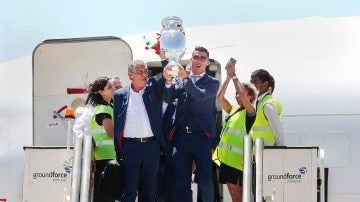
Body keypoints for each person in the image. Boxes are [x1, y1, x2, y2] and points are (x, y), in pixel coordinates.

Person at [163, 46, 220, 202]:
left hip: (202, 138)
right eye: (196, 57)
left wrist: (185, 79)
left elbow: (200, 96)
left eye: (203, 58)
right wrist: (168, 82)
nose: (199, 60)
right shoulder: (180, 80)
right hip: (181, 139)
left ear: (207, 62)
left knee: (205, 181)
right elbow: (168, 98)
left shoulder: (212, 82)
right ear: (191, 60)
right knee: (182, 182)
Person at [113, 60, 165, 202]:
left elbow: (167, 74)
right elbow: (117, 124)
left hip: (152, 146)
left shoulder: (152, 90)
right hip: (130, 148)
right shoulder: (119, 95)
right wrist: (119, 151)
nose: (144, 75)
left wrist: (167, 57)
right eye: (140, 72)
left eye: (145, 71)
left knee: (149, 189)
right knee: (129, 190)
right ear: (130, 75)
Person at [213, 61, 258, 202]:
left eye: (241, 94)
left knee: (239, 198)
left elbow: (242, 95)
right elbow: (219, 98)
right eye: (237, 94)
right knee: (233, 197)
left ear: (250, 96)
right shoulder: (233, 110)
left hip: (239, 164)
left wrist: (234, 76)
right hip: (226, 161)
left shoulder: (250, 112)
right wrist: (227, 78)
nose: (237, 96)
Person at [85, 76, 116, 202]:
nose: (113, 88)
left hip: (106, 159)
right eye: (109, 87)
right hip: (105, 160)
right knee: (106, 197)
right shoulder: (103, 109)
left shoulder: (108, 107)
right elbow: (111, 133)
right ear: (101, 92)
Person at [250, 69, 284, 146]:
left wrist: (280, 151)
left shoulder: (267, 105)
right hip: (259, 152)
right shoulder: (258, 103)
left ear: (265, 84)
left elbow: (279, 133)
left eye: (255, 82)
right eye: (251, 82)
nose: (252, 85)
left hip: (268, 153)